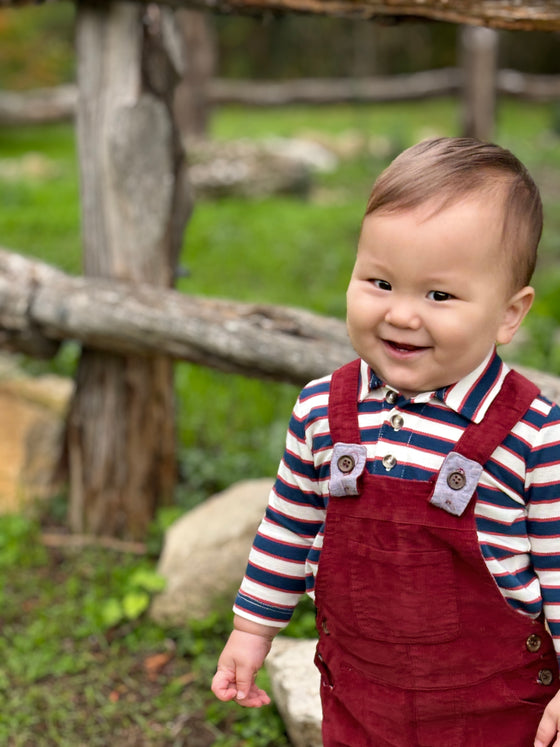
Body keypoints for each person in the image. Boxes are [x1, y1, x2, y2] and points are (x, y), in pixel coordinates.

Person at [211, 137, 560, 747]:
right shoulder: (323, 408)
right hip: (362, 698)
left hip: (496, 711)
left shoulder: (532, 431)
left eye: (439, 295)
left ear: (510, 313)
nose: (401, 314)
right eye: (379, 281)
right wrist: (251, 629)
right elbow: (289, 525)